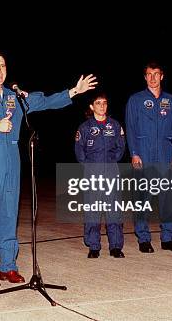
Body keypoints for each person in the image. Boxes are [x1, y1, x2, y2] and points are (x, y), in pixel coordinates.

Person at [0, 51, 97, 286]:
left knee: (9, 216)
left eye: (2, 66)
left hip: (12, 161)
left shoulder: (15, 97)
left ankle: (8, 266)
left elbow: (45, 101)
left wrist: (74, 91)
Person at [125, 61, 172, 253]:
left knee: (167, 199)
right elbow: (131, 129)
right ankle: (144, 239)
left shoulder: (171, 101)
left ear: (162, 76)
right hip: (143, 155)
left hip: (166, 156)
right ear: (145, 77)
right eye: (149, 74)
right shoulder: (135, 100)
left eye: (156, 74)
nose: (152, 77)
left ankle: (168, 239)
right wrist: (134, 153)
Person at [74, 92, 126, 259]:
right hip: (93, 173)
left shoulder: (115, 126)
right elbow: (79, 151)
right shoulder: (85, 128)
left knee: (114, 210)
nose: (102, 106)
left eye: (104, 102)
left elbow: (121, 147)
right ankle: (93, 246)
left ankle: (116, 246)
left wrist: (110, 162)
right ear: (91, 106)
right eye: (98, 103)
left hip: (111, 171)